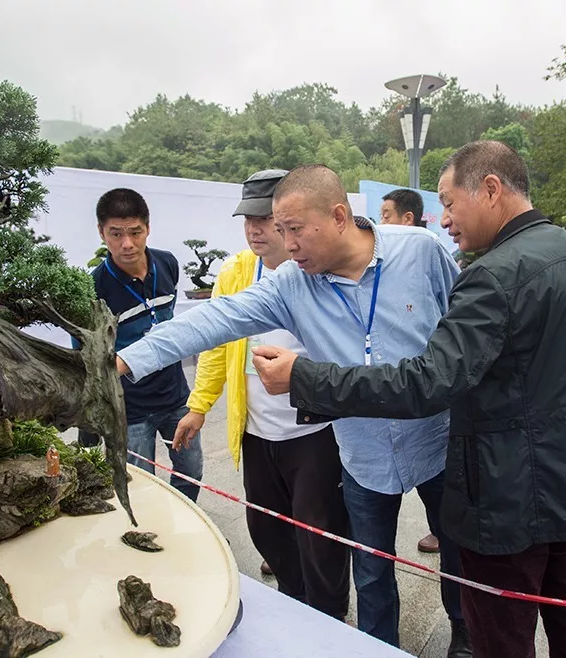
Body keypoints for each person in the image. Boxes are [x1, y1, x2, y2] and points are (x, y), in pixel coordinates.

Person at [251, 142, 566, 658]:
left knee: (501, 632)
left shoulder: (491, 277)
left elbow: (426, 383)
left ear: (490, 189)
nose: (443, 221)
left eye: (449, 203)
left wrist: (305, 378)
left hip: (508, 496)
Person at [116, 165, 471, 656]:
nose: (287, 244)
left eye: (294, 230)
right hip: (362, 452)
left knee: (458, 552)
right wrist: (124, 358)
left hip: (437, 440)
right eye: (279, 231)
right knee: (369, 569)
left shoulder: (420, 251)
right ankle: (375, 648)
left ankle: (466, 636)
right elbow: (215, 319)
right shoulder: (291, 285)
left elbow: (463, 325)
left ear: (339, 216)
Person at [173, 168, 351, 619]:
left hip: (315, 433)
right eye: (246, 219)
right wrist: (199, 406)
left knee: (320, 536)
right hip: (256, 431)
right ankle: (295, 606)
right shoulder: (236, 272)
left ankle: (327, 620)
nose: (254, 228)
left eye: (264, 218)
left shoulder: (319, 271)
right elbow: (215, 343)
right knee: (267, 529)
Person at [81, 188, 202, 502]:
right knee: (140, 484)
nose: (127, 244)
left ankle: (186, 527)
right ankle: (149, 533)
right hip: (129, 407)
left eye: (135, 232)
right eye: (116, 233)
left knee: (192, 469)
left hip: (175, 396)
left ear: (147, 228)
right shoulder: (94, 288)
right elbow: (85, 357)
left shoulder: (167, 264)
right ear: (101, 232)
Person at [378, 193, 441, 555]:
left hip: (426, 398)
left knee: (437, 486)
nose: (379, 221)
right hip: (382, 403)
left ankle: (440, 531)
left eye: (386, 214)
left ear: (407, 219)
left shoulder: (427, 249)